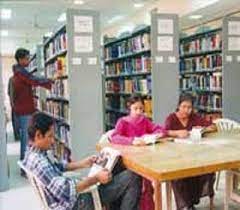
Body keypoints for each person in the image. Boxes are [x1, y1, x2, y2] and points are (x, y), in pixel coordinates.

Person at [23, 112, 141, 210]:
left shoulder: (32, 154)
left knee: (115, 171)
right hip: (75, 204)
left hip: (65, 201)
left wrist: (83, 163)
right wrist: (96, 178)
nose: (53, 141)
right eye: (50, 136)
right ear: (38, 135)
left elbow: (57, 167)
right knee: (132, 177)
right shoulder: (40, 162)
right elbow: (65, 190)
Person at [110, 94, 167, 210]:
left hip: (144, 158)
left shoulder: (144, 121)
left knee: (147, 187)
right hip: (129, 160)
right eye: (135, 109)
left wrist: (156, 134)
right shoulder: (123, 122)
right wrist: (132, 141)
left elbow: (159, 129)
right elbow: (114, 137)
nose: (139, 112)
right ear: (129, 107)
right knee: (136, 187)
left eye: (141, 109)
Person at [165, 93, 217, 210]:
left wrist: (202, 129)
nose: (186, 110)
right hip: (176, 155)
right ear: (178, 106)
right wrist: (176, 133)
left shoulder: (194, 117)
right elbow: (164, 132)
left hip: (194, 154)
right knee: (178, 174)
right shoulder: (171, 118)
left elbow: (213, 127)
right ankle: (185, 205)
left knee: (206, 169)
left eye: (189, 107)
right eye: (183, 106)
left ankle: (192, 202)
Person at [12, 48, 53, 175]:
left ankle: (26, 166)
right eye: (27, 58)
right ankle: (25, 169)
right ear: (20, 59)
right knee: (26, 140)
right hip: (24, 110)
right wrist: (49, 81)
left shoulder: (19, 72)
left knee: (27, 138)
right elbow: (33, 80)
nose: (29, 60)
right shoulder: (21, 73)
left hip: (23, 109)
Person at [8, 75, 20, 141]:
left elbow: (9, 92)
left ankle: (17, 136)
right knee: (17, 121)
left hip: (15, 105)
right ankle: (18, 136)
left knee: (15, 121)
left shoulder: (11, 79)